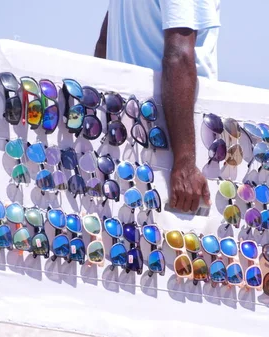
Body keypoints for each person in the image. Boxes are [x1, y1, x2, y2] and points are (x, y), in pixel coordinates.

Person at [94, 0, 221, 213]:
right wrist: (185, 162)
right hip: (172, 142)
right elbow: (178, 55)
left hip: (123, 134)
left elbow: (103, 45)